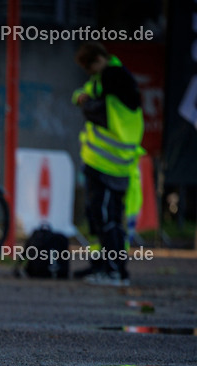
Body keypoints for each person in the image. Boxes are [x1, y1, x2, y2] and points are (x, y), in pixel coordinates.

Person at [71, 42, 144, 286]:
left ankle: (115, 271)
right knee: (102, 217)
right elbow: (86, 94)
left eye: (90, 67)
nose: (90, 73)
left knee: (107, 217)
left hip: (109, 164)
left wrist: (83, 102)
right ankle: (105, 266)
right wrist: (80, 97)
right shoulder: (107, 77)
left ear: (97, 61)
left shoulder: (114, 77)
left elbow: (94, 109)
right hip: (108, 162)